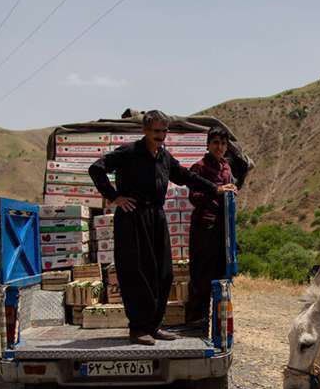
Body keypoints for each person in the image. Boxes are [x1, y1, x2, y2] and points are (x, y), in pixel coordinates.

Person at [89, 110, 236, 346]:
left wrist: (215, 189)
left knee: (164, 273)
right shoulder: (129, 152)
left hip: (157, 216)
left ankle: (154, 326)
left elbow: (186, 176)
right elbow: (96, 168)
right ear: (145, 130)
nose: (160, 135)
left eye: (164, 131)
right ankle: (138, 328)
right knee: (137, 273)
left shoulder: (164, 157)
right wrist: (114, 197)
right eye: (156, 131)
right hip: (132, 217)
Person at [184, 126, 235, 329]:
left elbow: (228, 190)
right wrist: (218, 192)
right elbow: (194, 197)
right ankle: (196, 319)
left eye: (223, 143)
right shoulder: (199, 167)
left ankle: (218, 321)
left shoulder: (226, 167)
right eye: (215, 143)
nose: (219, 147)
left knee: (221, 273)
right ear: (207, 145)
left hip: (223, 228)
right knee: (201, 273)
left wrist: (231, 192)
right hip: (204, 226)